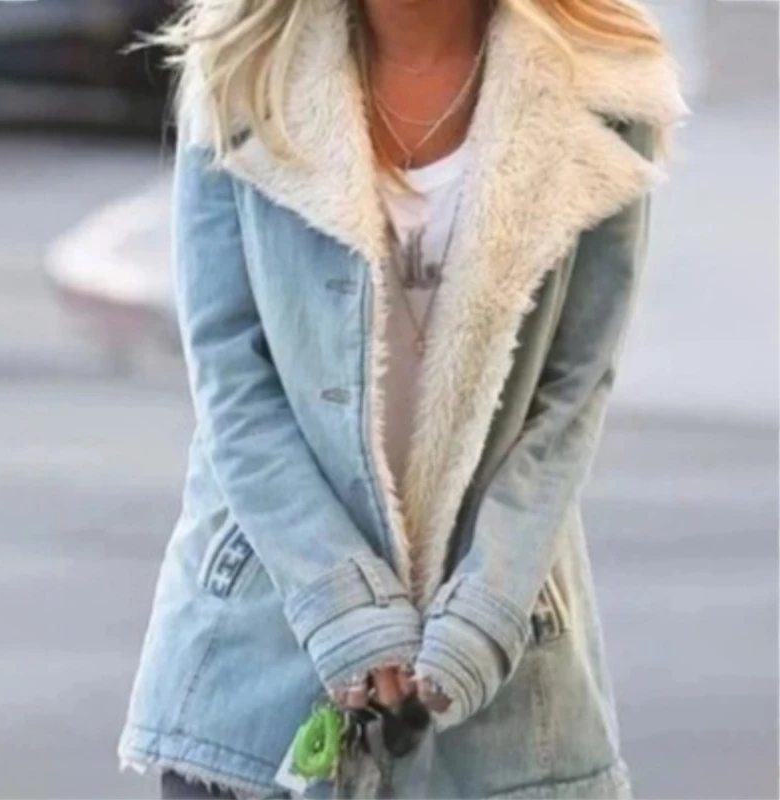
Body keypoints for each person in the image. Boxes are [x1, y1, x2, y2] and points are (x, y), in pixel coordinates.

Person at [118, 0, 686, 797]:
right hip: (261, 643)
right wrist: (340, 599)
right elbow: (231, 380)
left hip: (507, 669)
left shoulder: (604, 84)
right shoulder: (241, 66)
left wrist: (486, 613)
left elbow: (570, 397)